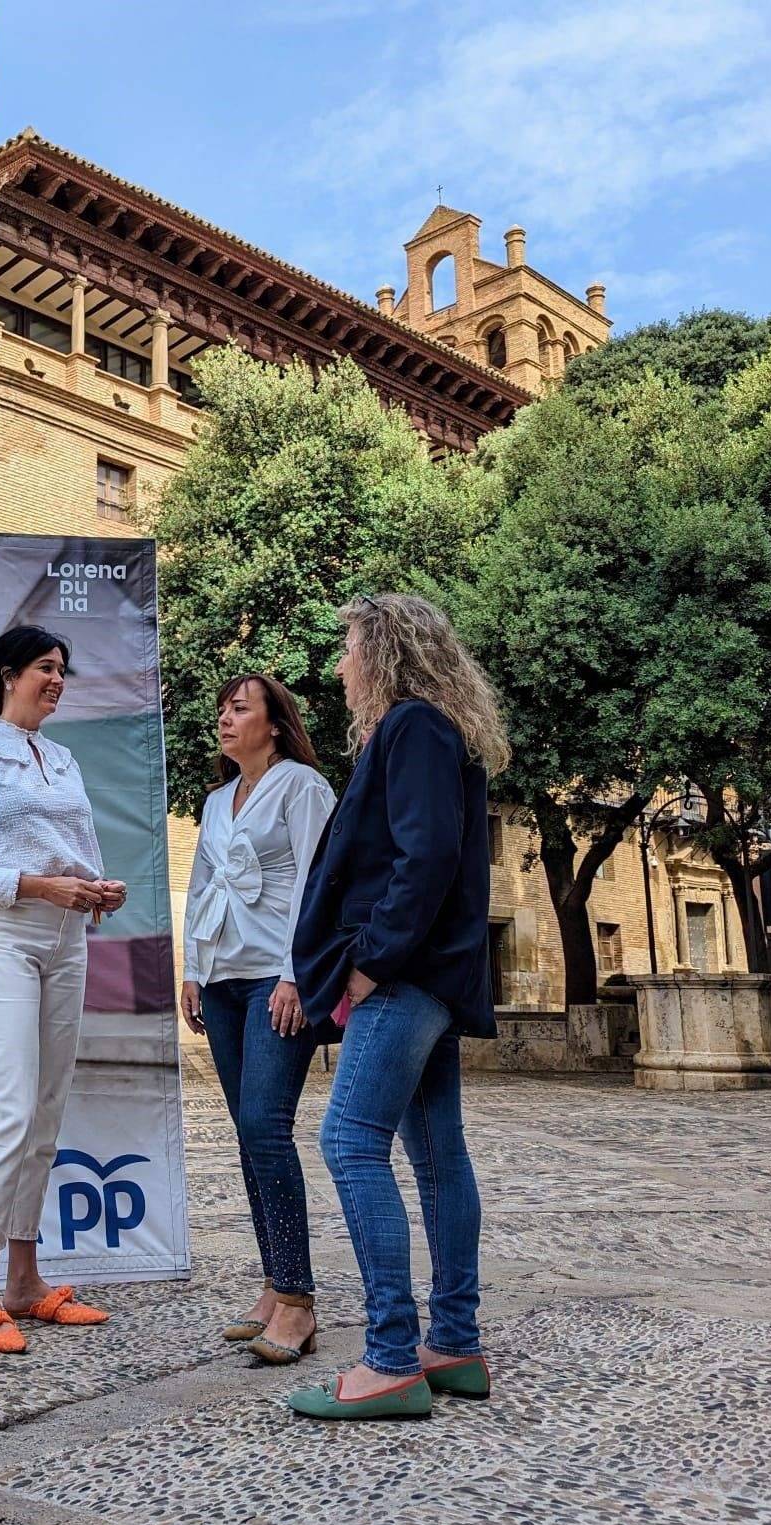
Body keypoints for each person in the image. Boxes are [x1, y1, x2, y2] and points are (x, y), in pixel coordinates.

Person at [286, 593, 510, 1423]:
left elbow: (423, 861)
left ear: (382, 652)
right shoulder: (433, 731)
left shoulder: (412, 727)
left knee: (349, 1141)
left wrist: (368, 967)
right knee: (439, 1155)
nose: (342, 667)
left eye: (349, 651)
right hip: (431, 978)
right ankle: (452, 1344)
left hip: (404, 978)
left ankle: (390, 1359)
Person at [0, 625, 126, 1353]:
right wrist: (40, 885)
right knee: (9, 1106)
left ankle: (26, 1281)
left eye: (63, 669)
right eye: (47, 667)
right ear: (6, 674)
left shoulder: (64, 758)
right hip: (0, 936)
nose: (58, 679)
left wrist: (96, 889)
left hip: (65, 938)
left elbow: (78, 852)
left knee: (46, 1111)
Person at [180, 675, 335, 1365]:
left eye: (239, 708)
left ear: (274, 724)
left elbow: (319, 882)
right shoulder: (216, 801)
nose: (224, 717)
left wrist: (297, 975)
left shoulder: (302, 787)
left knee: (268, 1129)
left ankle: (299, 1302)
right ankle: (274, 1287)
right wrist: (191, 966)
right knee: (247, 1134)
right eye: (221, 709)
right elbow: (207, 884)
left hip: (277, 982)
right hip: (222, 980)